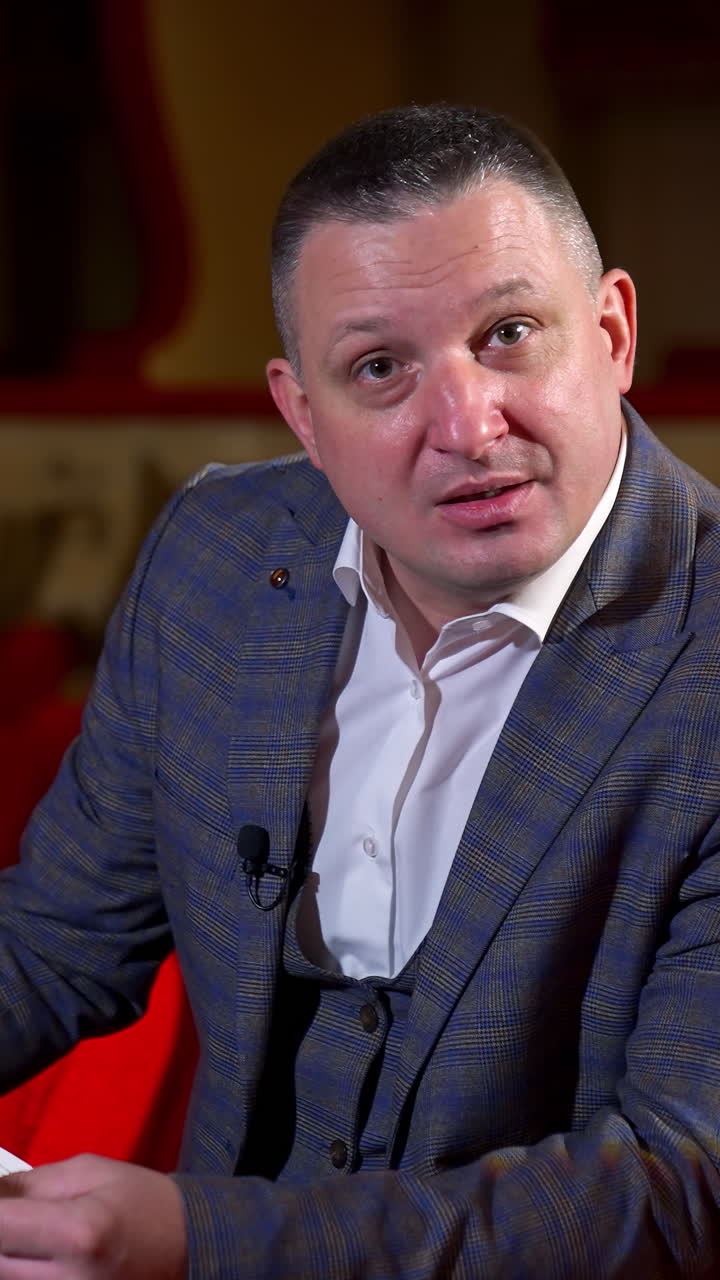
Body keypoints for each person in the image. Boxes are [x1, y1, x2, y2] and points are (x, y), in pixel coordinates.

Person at [0, 103, 719, 1278]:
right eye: (380, 368)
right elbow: (58, 939)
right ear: (301, 412)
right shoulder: (219, 558)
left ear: (613, 331)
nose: (466, 425)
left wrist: (195, 1241)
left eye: (509, 334)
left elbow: (681, 1189)